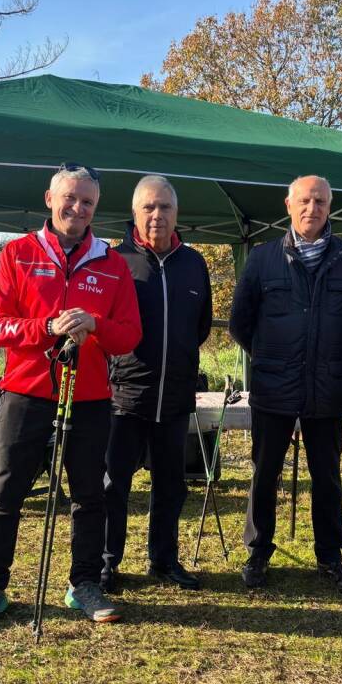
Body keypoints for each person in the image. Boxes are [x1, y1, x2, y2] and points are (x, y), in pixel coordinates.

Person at [0, 164, 142, 630]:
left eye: (87, 202)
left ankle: (84, 583)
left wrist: (96, 325)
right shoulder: (18, 253)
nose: (77, 208)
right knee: (6, 492)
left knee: (89, 495)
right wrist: (45, 327)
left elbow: (129, 336)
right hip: (25, 392)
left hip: (90, 397)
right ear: (49, 198)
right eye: (70, 198)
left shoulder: (113, 263)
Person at [229, 175, 342, 590]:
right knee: (264, 472)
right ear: (288, 205)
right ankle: (258, 552)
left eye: (321, 201)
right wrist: (271, 357)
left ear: (330, 207)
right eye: (305, 201)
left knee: (326, 475)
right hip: (274, 388)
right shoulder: (262, 258)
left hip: (327, 388)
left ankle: (330, 557)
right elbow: (240, 323)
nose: (313, 208)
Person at [101, 175, 213, 593]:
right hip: (125, 396)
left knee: (172, 485)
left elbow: (199, 327)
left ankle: (163, 560)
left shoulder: (194, 264)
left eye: (165, 207)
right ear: (134, 213)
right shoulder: (114, 262)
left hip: (177, 396)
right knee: (114, 484)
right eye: (148, 207)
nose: (157, 215)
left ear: (176, 213)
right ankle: (108, 563)